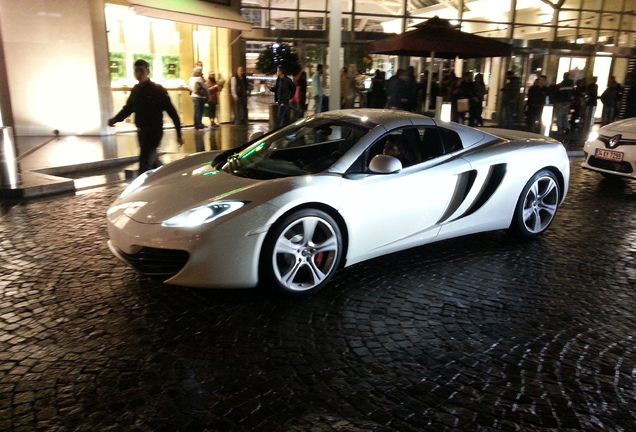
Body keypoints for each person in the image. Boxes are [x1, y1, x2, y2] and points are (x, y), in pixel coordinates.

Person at [108, 59, 184, 174]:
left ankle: (143, 187)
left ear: (148, 71)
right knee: (152, 161)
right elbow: (128, 108)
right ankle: (166, 176)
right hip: (141, 131)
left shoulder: (157, 90)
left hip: (154, 131)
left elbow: (172, 112)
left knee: (144, 162)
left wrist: (179, 134)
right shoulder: (136, 90)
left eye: (141, 71)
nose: (138, 74)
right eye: (136, 71)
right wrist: (115, 120)